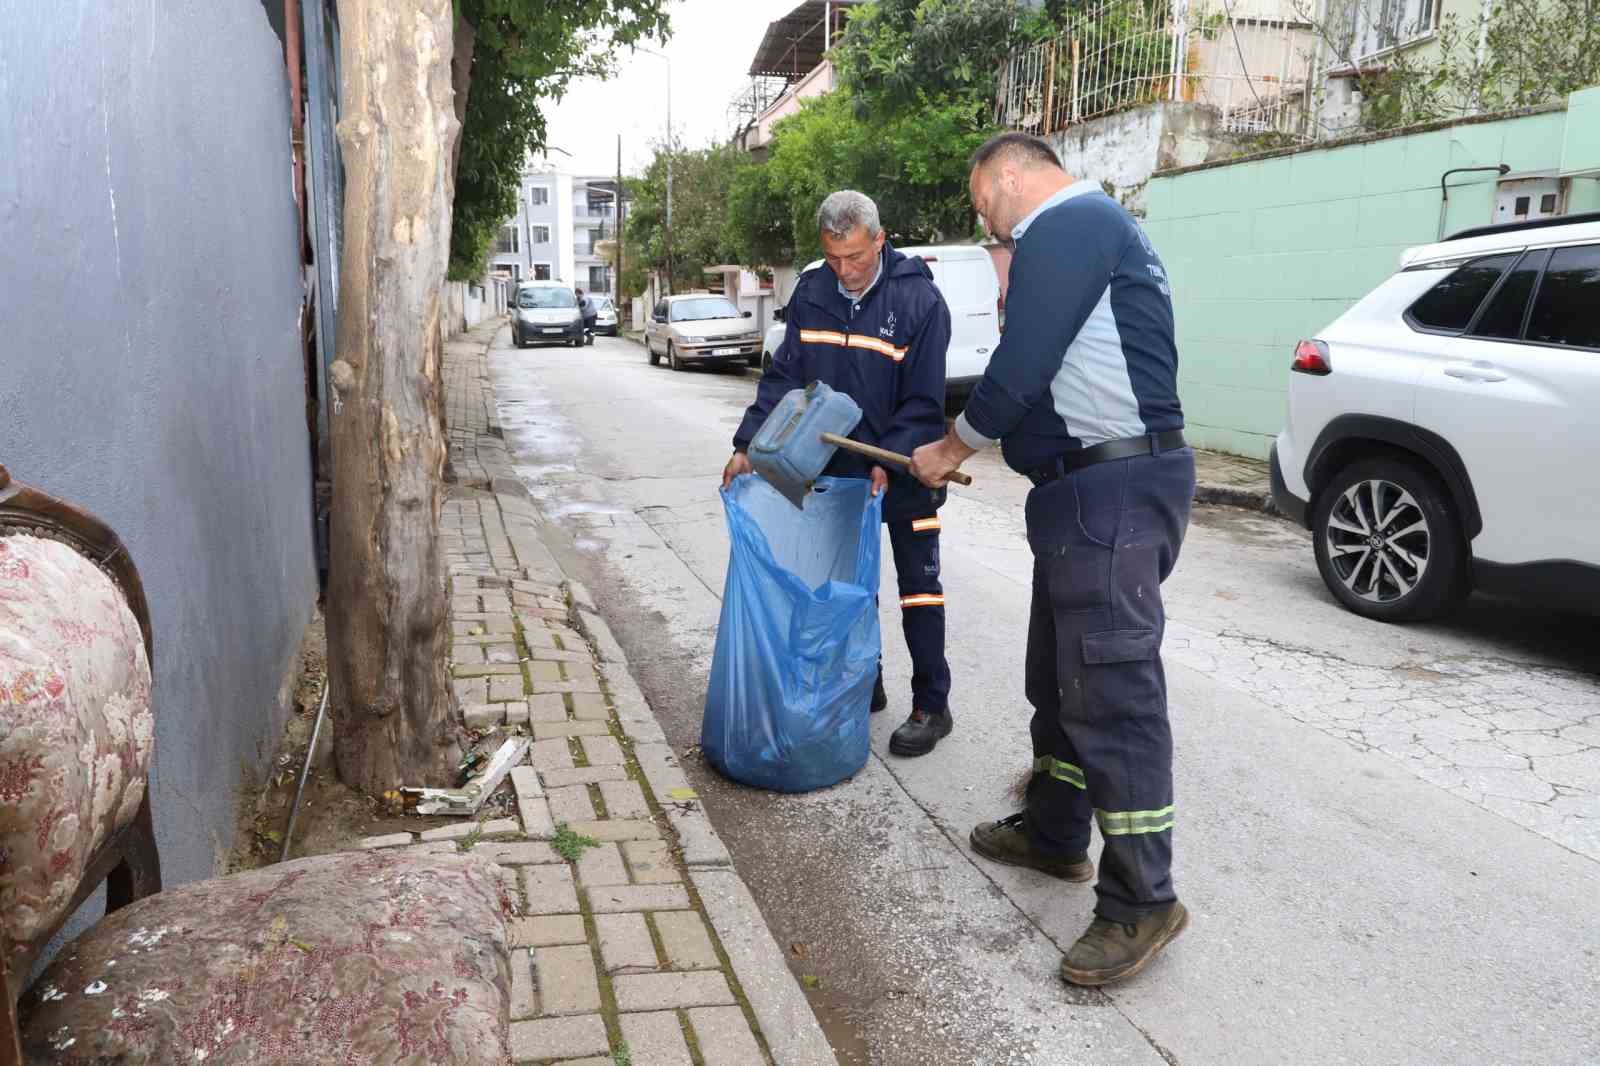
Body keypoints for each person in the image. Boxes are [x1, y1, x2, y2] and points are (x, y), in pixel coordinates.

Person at [909, 133, 1195, 986]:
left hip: (1113, 486)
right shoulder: (1094, 229)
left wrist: (951, 446)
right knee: (1061, 674)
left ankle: (1144, 899)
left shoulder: (1067, 224)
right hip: (1083, 490)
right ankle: (1057, 830)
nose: (983, 219)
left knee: (1111, 690)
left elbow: (1022, 367)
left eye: (981, 202)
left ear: (1007, 175)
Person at [724, 190, 955, 757]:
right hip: (832, 471)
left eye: (855, 257)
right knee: (849, 583)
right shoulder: (813, 292)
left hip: (906, 468)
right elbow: (785, 378)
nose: (845, 272)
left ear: (880, 239)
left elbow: (925, 402)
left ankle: (932, 703)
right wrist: (750, 444)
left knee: (918, 589)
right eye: (833, 259)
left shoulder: (920, 301)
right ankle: (863, 680)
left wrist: (888, 458)